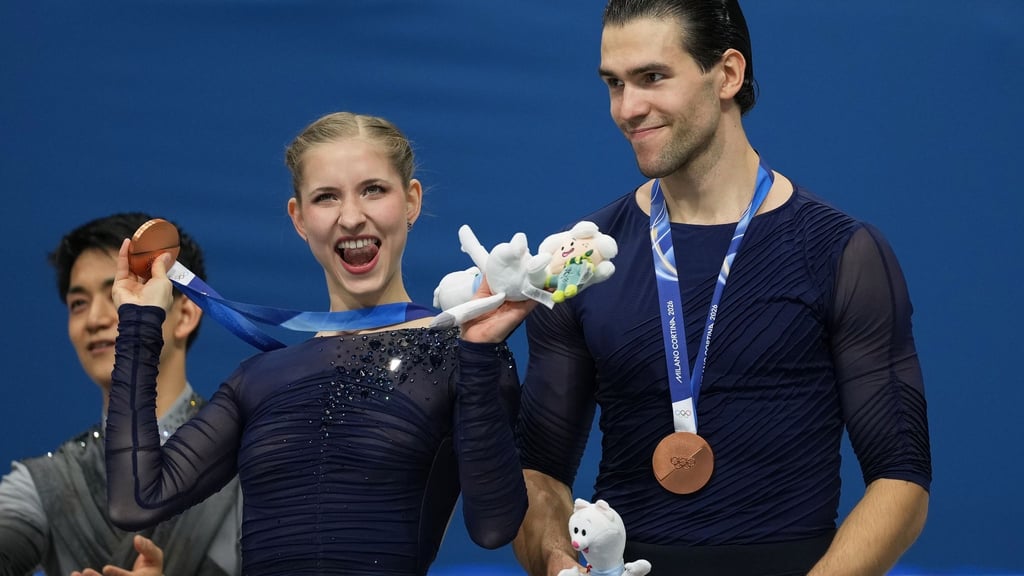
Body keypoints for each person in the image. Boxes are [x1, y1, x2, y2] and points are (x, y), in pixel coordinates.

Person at [511, 2, 932, 575]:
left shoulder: (842, 251)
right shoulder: (581, 258)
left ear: (728, 74)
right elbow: (539, 474)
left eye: (652, 77)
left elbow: (901, 479)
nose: (628, 109)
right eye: (615, 84)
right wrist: (561, 563)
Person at [103, 111, 531, 575]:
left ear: (411, 201)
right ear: (299, 218)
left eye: (373, 189)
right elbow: (137, 500)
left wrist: (482, 351)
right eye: (326, 197)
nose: (351, 217)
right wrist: (141, 324)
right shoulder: (259, 379)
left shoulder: (459, 355)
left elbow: (494, 526)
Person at [0, 213, 242, 576]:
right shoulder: (45, 483)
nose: (95, 318)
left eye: (123, 291)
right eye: (78, 303)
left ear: (187, 313)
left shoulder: (251, 464)